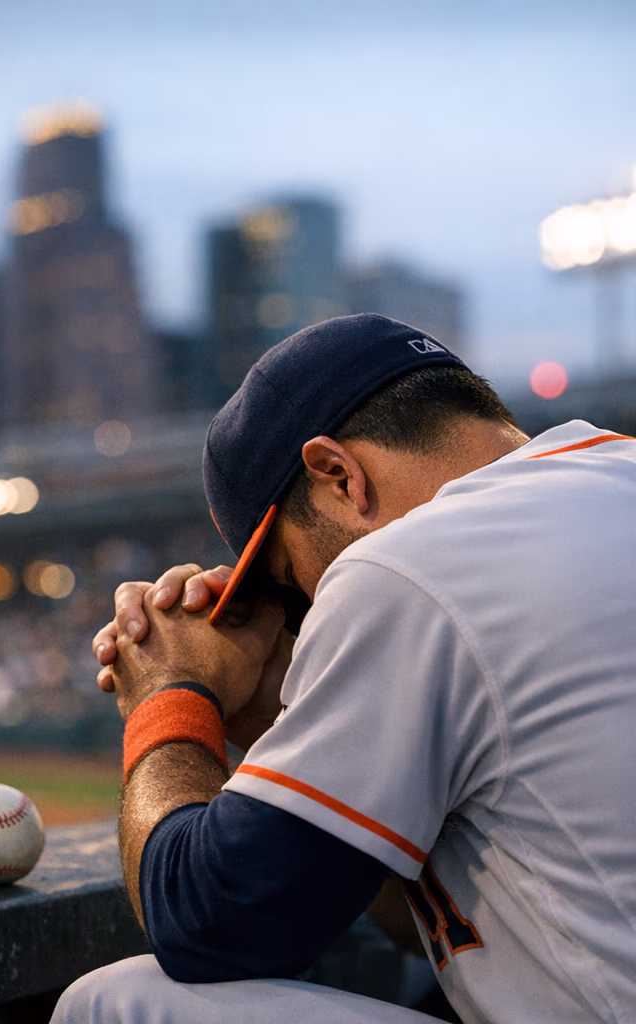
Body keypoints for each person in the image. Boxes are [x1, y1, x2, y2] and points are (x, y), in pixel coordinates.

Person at [51, 313, 636, 1024]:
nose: (305, 608)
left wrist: (171, 694)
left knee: (111, 1003)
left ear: (339, 476)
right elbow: (457, 936)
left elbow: (204, 922)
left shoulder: (409, 564)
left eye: (288, 578)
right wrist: (279, 730)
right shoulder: (610, 471)